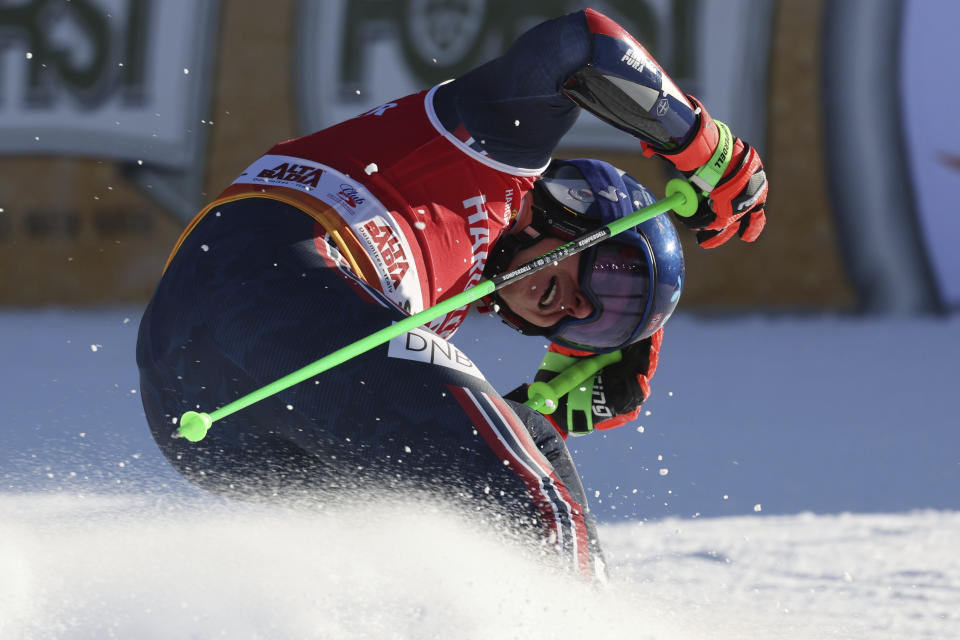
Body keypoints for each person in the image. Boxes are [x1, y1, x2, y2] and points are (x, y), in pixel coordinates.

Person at [136, 8, 767, 580]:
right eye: (603, 280)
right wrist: (699, 143)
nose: (580, 310)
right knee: (530, 480)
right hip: (271, 282)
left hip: (196, 410)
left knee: (434, 533)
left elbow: (443, 433)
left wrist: (603, 351)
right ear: (573, 212)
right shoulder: (501, 153)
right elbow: (579, 43)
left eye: (599, 324)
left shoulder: (448, 300)